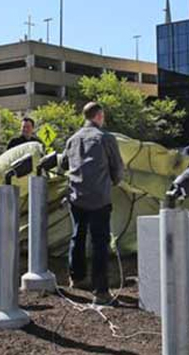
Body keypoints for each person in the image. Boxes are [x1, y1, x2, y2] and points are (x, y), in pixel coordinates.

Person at [62, 102, 123, 306]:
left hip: (76, 196)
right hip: (99, 198)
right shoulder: (106, 138)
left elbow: (63, 164)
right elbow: (117, 169)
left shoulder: (72, 139)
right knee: (99, 242)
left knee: (77, 235)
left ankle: (76, 278)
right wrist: (113, 181)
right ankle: (101, 291)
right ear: (99, 116)